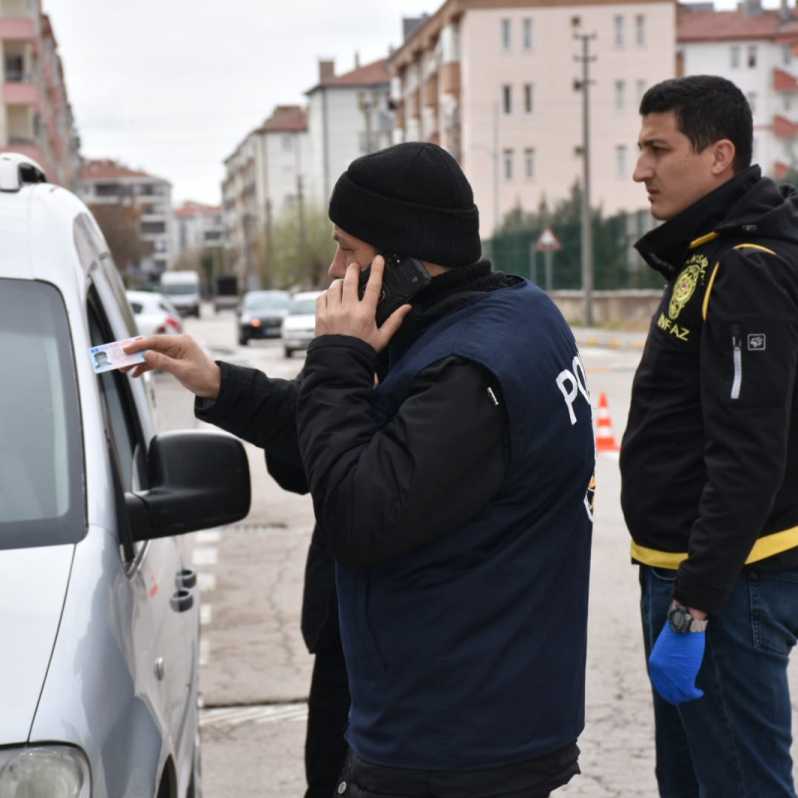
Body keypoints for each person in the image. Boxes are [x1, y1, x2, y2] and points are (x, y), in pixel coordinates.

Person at [127, 142, 595, 797]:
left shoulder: (468, 370)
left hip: (453, 737)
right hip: (435, 704)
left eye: (348, 248)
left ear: (404, 261)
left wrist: (337, 354)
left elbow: (360, 510)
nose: (332, 267)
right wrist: (222, 384)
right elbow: (351, 432)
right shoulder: (484, 319)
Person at [621, 75, 798, 797]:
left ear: (720, 155)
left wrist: (693, 608)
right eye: (640, 150)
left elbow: (750, 454)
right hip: (692, 576)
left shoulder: (746, 270)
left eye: (658, 150)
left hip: (724, 587)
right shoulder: (709, 251)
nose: (641, 170)